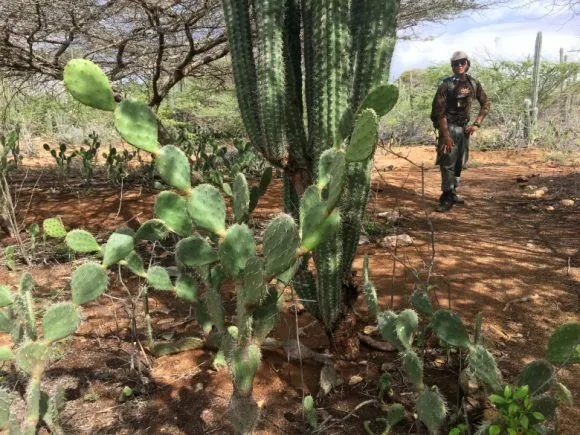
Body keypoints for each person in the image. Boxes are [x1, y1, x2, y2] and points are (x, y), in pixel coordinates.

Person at [430, 51, 490, 212]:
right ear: (452, 66)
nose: (459, 66)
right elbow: (439, 111)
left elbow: (486, 104)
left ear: (467, 64)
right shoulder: (446, 84)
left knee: (460, 162)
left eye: (462, 62)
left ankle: (453, 190)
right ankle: (446, 196)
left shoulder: (473, 83)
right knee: (447, 162)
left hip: (464, 129)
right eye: (455, 63)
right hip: (448, 127)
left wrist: (476, 124)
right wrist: (446, 135)